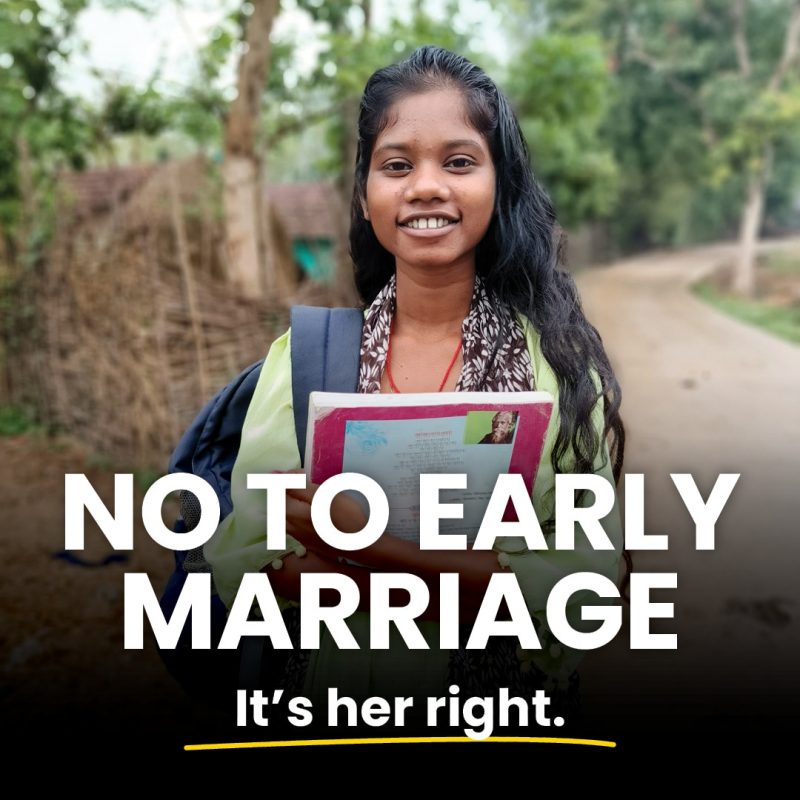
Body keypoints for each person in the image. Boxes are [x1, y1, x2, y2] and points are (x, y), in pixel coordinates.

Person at [204, 45, 625, 731]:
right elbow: (240, 561)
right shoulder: (308, 360)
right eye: (396, 165)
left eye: (459, 162)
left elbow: (582, 593)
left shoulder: (556, 372)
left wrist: (365, 546)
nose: (426, 186)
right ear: (365, 193)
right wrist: (474, 580)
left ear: (499, 184)